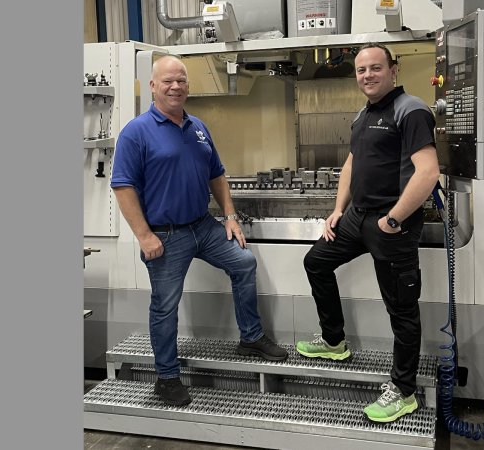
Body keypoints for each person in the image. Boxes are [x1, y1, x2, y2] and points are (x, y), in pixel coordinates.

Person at [110, 55, 287, 407]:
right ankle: (167, 377)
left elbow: (216, 175)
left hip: (203, 226)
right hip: (165, 234)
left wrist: (230, 216)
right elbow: (122, 186)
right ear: (153, 86)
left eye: (181, 80)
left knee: (243, 263)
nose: (176, 86)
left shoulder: (198, 128)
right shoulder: (136, 132)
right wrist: (144, 236)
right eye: (168, 81)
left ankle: (250, 337)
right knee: (165, 305)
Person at [295, 43, 440, 423]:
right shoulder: (363, 114)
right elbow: (351, 164)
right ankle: (334, 341)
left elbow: (428, 171)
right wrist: (338, 210)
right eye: (361, 70)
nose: (367, 75)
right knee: (316, 262)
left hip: (392, 225)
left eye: (375, 68)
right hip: (357, 218)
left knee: (401, 310)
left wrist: (393, 219)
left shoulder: (411, 110)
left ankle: (404, 391)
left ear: (393, 69)